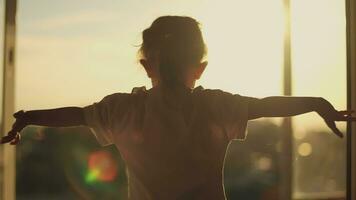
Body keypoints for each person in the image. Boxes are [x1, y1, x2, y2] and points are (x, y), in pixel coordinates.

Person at [1, 16, 355, 200]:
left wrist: (29, 118)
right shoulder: (217, 106)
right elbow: (266, 106)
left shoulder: (123, 110)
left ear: (145, 66)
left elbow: (75, 115)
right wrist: (315, 102)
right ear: (199, 67)